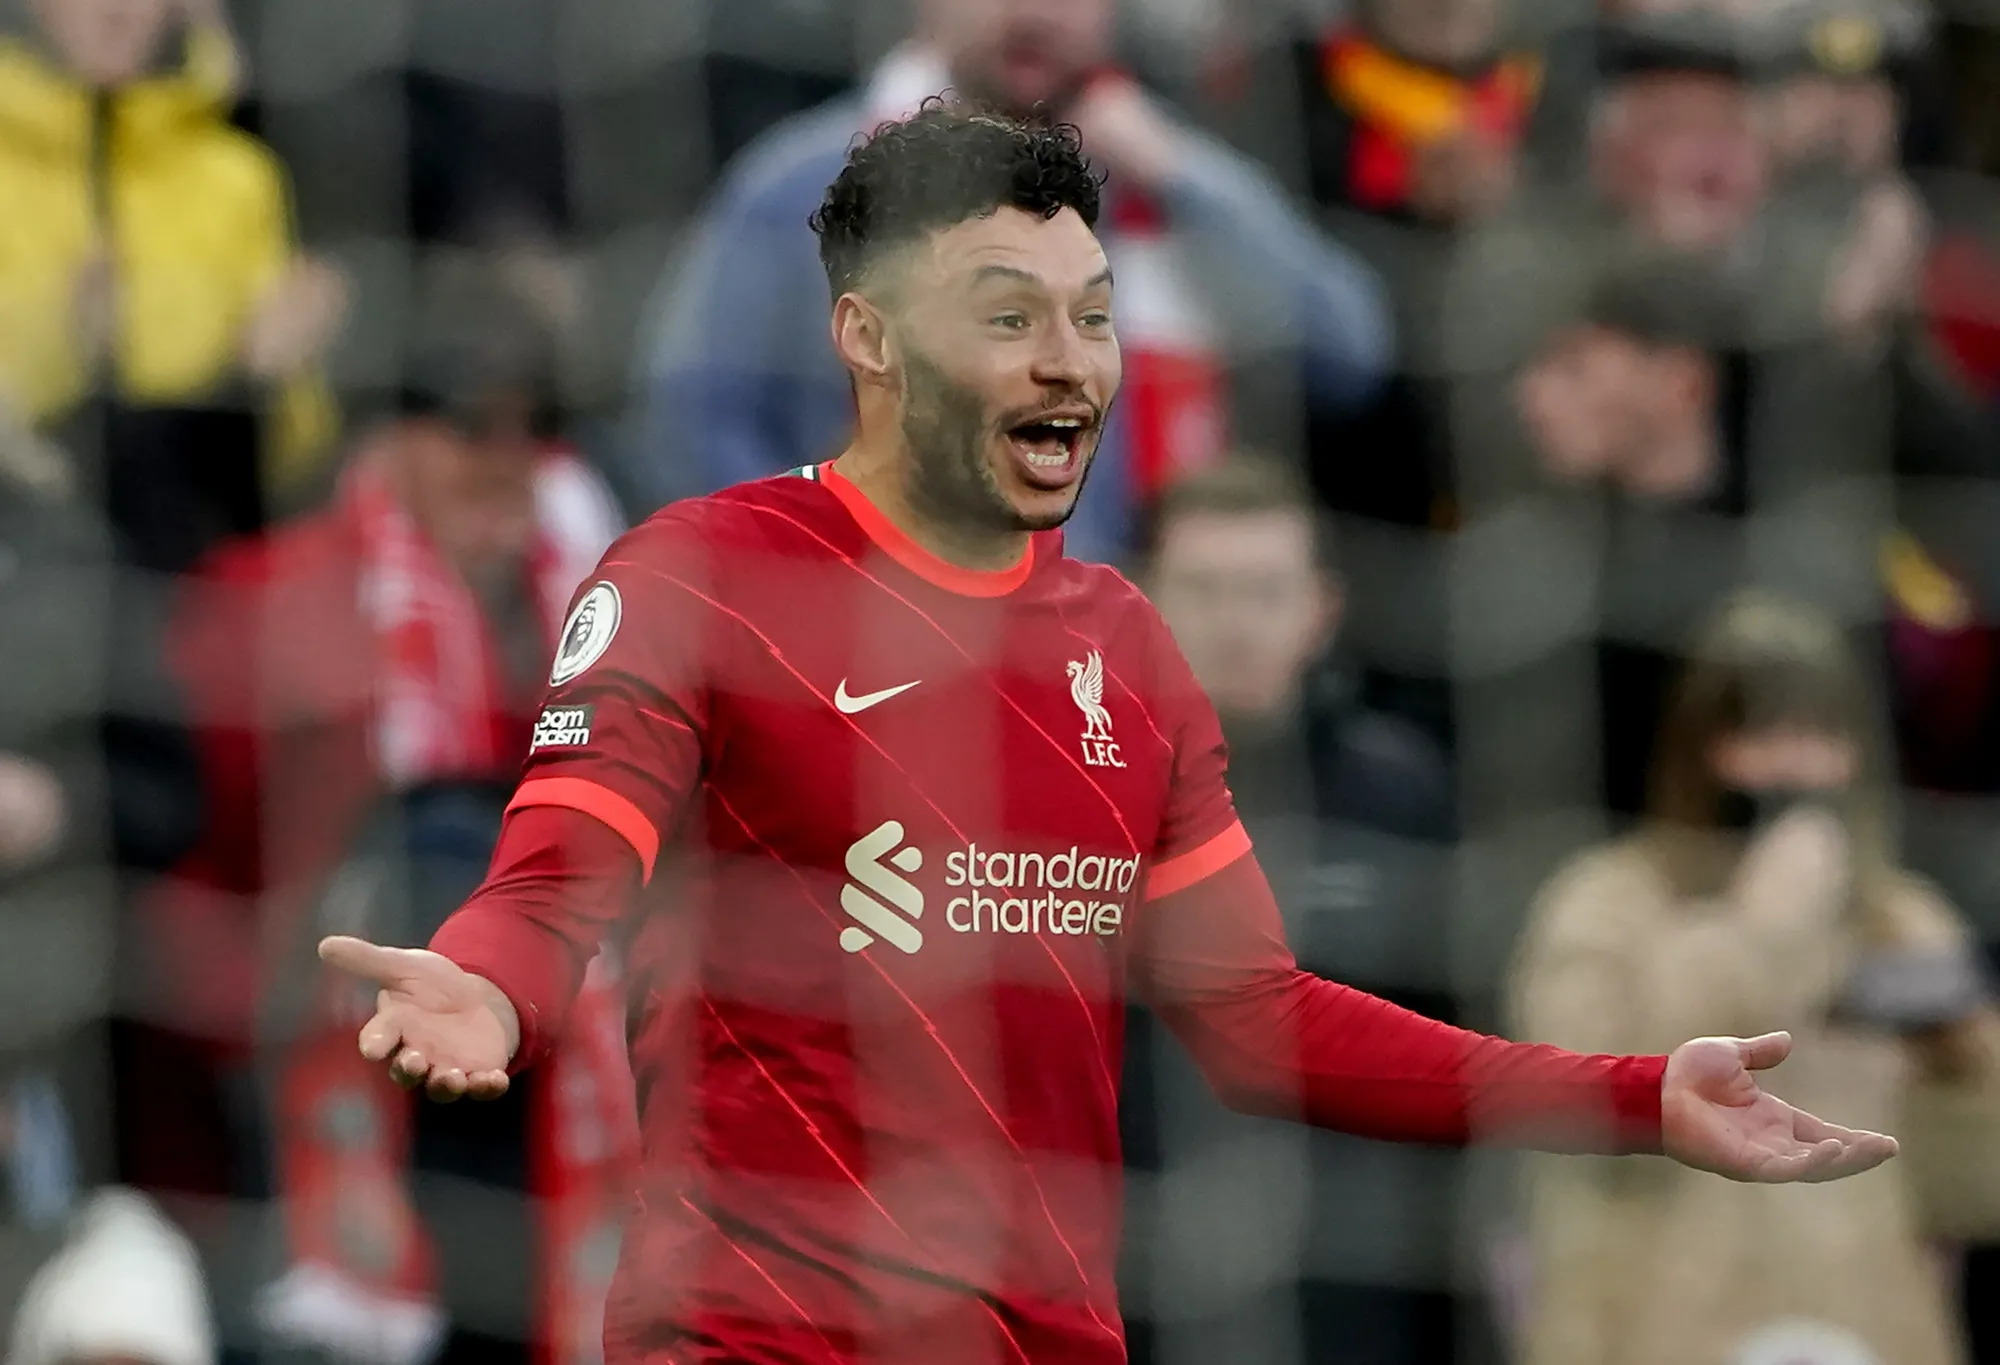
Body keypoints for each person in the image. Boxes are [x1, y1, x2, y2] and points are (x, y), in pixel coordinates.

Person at [320, 106, 1895, 1365]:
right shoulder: (700, 577)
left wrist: (1637, 1097)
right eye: (1009, 317)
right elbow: (561, 871)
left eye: (1090, 314)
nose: (1071, 363)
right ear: (869, 341)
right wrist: (492, 983)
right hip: (758, 1336)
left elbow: (1262, 1024)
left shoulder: (1123, 645)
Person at [630, 0, 1394, 562]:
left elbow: (1349, 357)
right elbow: (686, 418)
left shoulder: (1164, 176)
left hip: (1130, 691)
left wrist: (1178, 177)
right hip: (879, 673)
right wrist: (815, 570)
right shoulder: (802, 182)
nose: (1036, 12)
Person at [1507, 591, 2000, 1365]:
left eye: (1820, 733)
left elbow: (1978, 1188)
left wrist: (1968, 1056)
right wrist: (1754, 936)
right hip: (1654, 1329)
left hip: (1866, 1327)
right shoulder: (1605, 903)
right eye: (1760, 733)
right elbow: (1575, 1111)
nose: (1794, 765)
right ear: (1698, 745)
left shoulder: (1904, 918)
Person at [1129, 456, 1462, 1364]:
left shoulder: (1403, 797)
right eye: (1203, 589)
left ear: (1322, 608)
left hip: (1355, 1299)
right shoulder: (1068, 794)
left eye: (1266, 591)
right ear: (1137, 598)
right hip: (1130, 1292)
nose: (1236, 624)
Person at [0, 0, 344, 567]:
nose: (118, 11)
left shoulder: (237, 178)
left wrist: (273, 381)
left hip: (195, 563)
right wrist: (64, 353)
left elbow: (295, 468)